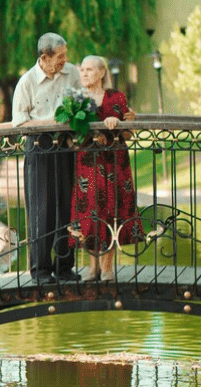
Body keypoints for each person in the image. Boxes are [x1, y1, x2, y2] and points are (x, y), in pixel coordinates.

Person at [12, 32, 82, 284]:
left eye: (65, 55)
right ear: (44, 57)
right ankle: (40, 272)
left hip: (66, 146)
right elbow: (19, 121)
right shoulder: (27, 81)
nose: (65, 60)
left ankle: (65, 268)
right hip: (39, 147)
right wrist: (49, 122)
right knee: (41, 211)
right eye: (60, 56)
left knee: (67, 209)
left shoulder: (72, 73)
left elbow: (81, 102)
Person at [69, 55, 143, 282]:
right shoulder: (75, 99)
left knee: (111, 211)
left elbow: (130, 133)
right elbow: (70, 133)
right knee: (89, 212)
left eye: (90, 70)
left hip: (113, 163)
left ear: (102, 73)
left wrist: (120, 122)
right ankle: (93, 267)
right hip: (86, 164)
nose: (84, 74)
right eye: (82, 70)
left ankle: (108, 266)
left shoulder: (116, 97)